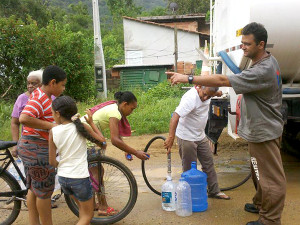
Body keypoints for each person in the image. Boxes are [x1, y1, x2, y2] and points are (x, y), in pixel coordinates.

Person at [167, 22, 286, 225]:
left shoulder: (262, 69)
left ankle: (270, 220)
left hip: (264, 131)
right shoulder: (266, 61)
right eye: (242, 43)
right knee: (258, 172)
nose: (243, 47)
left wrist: (187, 78)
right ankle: (260, 204)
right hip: (260, 130)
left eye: (247, 44)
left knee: (270, 178)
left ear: (261, 44)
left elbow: (223, 80)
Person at [81, 91, 149, 216]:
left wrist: (126, 150)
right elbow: (115, 140)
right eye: (131, 108)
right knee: (97, 172)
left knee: (95, 171)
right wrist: (135, 152)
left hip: (86, 134)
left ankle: (93, 203)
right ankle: (102, 206)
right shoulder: (115, 113)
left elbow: (116, 136)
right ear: (124, 104)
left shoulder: (114, 107)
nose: (131, 112)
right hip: (86, 136)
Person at [18, 65, 67, 225]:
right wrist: (52, 126)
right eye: (62, 85)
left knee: (34, 189)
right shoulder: (40, 97)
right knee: (45, 193)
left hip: (31, 147)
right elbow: (24, 118)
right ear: (53, 82)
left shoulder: (43, 97)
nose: (63, 88)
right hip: (36, 149)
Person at [164, 85, 230, 200]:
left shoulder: (210, 92)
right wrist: (171, 137)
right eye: (204, 94)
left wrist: (217, 93)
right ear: (198, 87)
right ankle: (189, 196)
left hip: (200, 135)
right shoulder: (190, 98)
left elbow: (216, 92)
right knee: (189, 169)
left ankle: (214, 191)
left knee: (208, 163)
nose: (206, 98)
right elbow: (175, 116)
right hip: (186, 136)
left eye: (209, 96)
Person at [49, 96, 105, 225]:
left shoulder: (53, 131)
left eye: (52, 113)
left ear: (58, 114)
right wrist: (91, 123)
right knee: (88, 215)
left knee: (82, 210)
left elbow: (52, 162)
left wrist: (63, 166)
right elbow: (102, 142)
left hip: (64, 178)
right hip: (79, 178)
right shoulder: (81, 127)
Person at [10, 70, 43, 157]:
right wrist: (15, 145)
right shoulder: (22, 99)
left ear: (42, 84)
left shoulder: (50, 97)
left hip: (46, 143)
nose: (30, 86)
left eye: (33, 83)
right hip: (28, 144)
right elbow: (14, 122)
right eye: (28, 83)